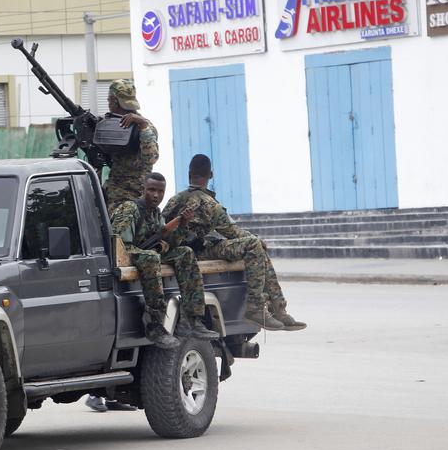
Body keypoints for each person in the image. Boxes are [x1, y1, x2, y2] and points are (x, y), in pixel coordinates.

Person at [163, 154, 306, 331]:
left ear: (189, 174)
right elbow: (232, 232)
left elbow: (162, 226)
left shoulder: (173, 200)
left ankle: (278, 308)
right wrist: (257, 240)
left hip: (178, 252)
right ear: (211, 175)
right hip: (199, 252)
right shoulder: (209, 203)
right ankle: (259, 307)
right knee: (254, 245)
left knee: (255, 245)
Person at [112, 172, 220, 348]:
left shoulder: (156, 213)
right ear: (143, 189)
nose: (156, 195)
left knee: (185, 252)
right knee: (151, 257)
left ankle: (192, 319)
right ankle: (155, 324)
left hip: (147, 255)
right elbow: (119, 245)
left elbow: (171, 242)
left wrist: (182, 224)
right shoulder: (130, 209)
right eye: (151, 190)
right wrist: (152, 251)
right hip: (129, 255)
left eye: (160, 191)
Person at [103, 79, 159, 213]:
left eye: (109, 100)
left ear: (114, 101)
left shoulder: (144, 126)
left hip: (134, 198)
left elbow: (152, 158)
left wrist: (143, 126)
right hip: (113, 194)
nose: (109, 104)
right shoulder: (112, 123)